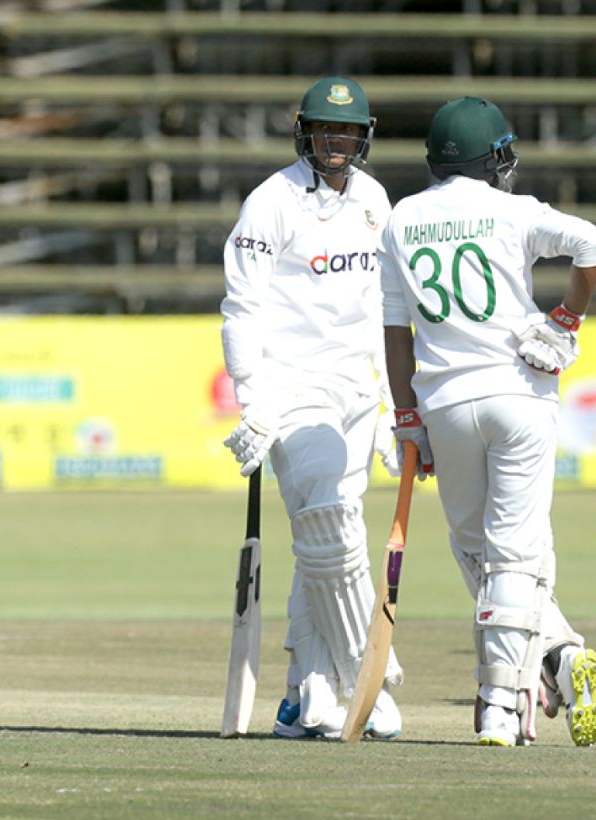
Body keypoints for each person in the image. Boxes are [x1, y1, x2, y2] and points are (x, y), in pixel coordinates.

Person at [379, 96, 596, 747]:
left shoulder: (402, 218)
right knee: (514, 550)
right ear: (494, 158)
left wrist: (406, 417)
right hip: (519, 393)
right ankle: (506, 698)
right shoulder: (514, 210)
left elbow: (395, 330)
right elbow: (591, 243)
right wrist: (564, 319)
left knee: (478, 549)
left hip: (445, 402)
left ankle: (548, 666)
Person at [220, 76, 405, 738]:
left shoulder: (375, 200)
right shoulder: (270, 203)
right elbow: (241, 306)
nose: (337, 143)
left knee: (320, 542)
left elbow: (386, 310)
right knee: (330, 528)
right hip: (294, 390)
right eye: (327, 131)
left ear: (364, 136)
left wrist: (393, 404)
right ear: (305, 132)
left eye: (349, 132)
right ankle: (370, 675)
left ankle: (308, 690)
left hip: (358, 388)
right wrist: (253, 395)